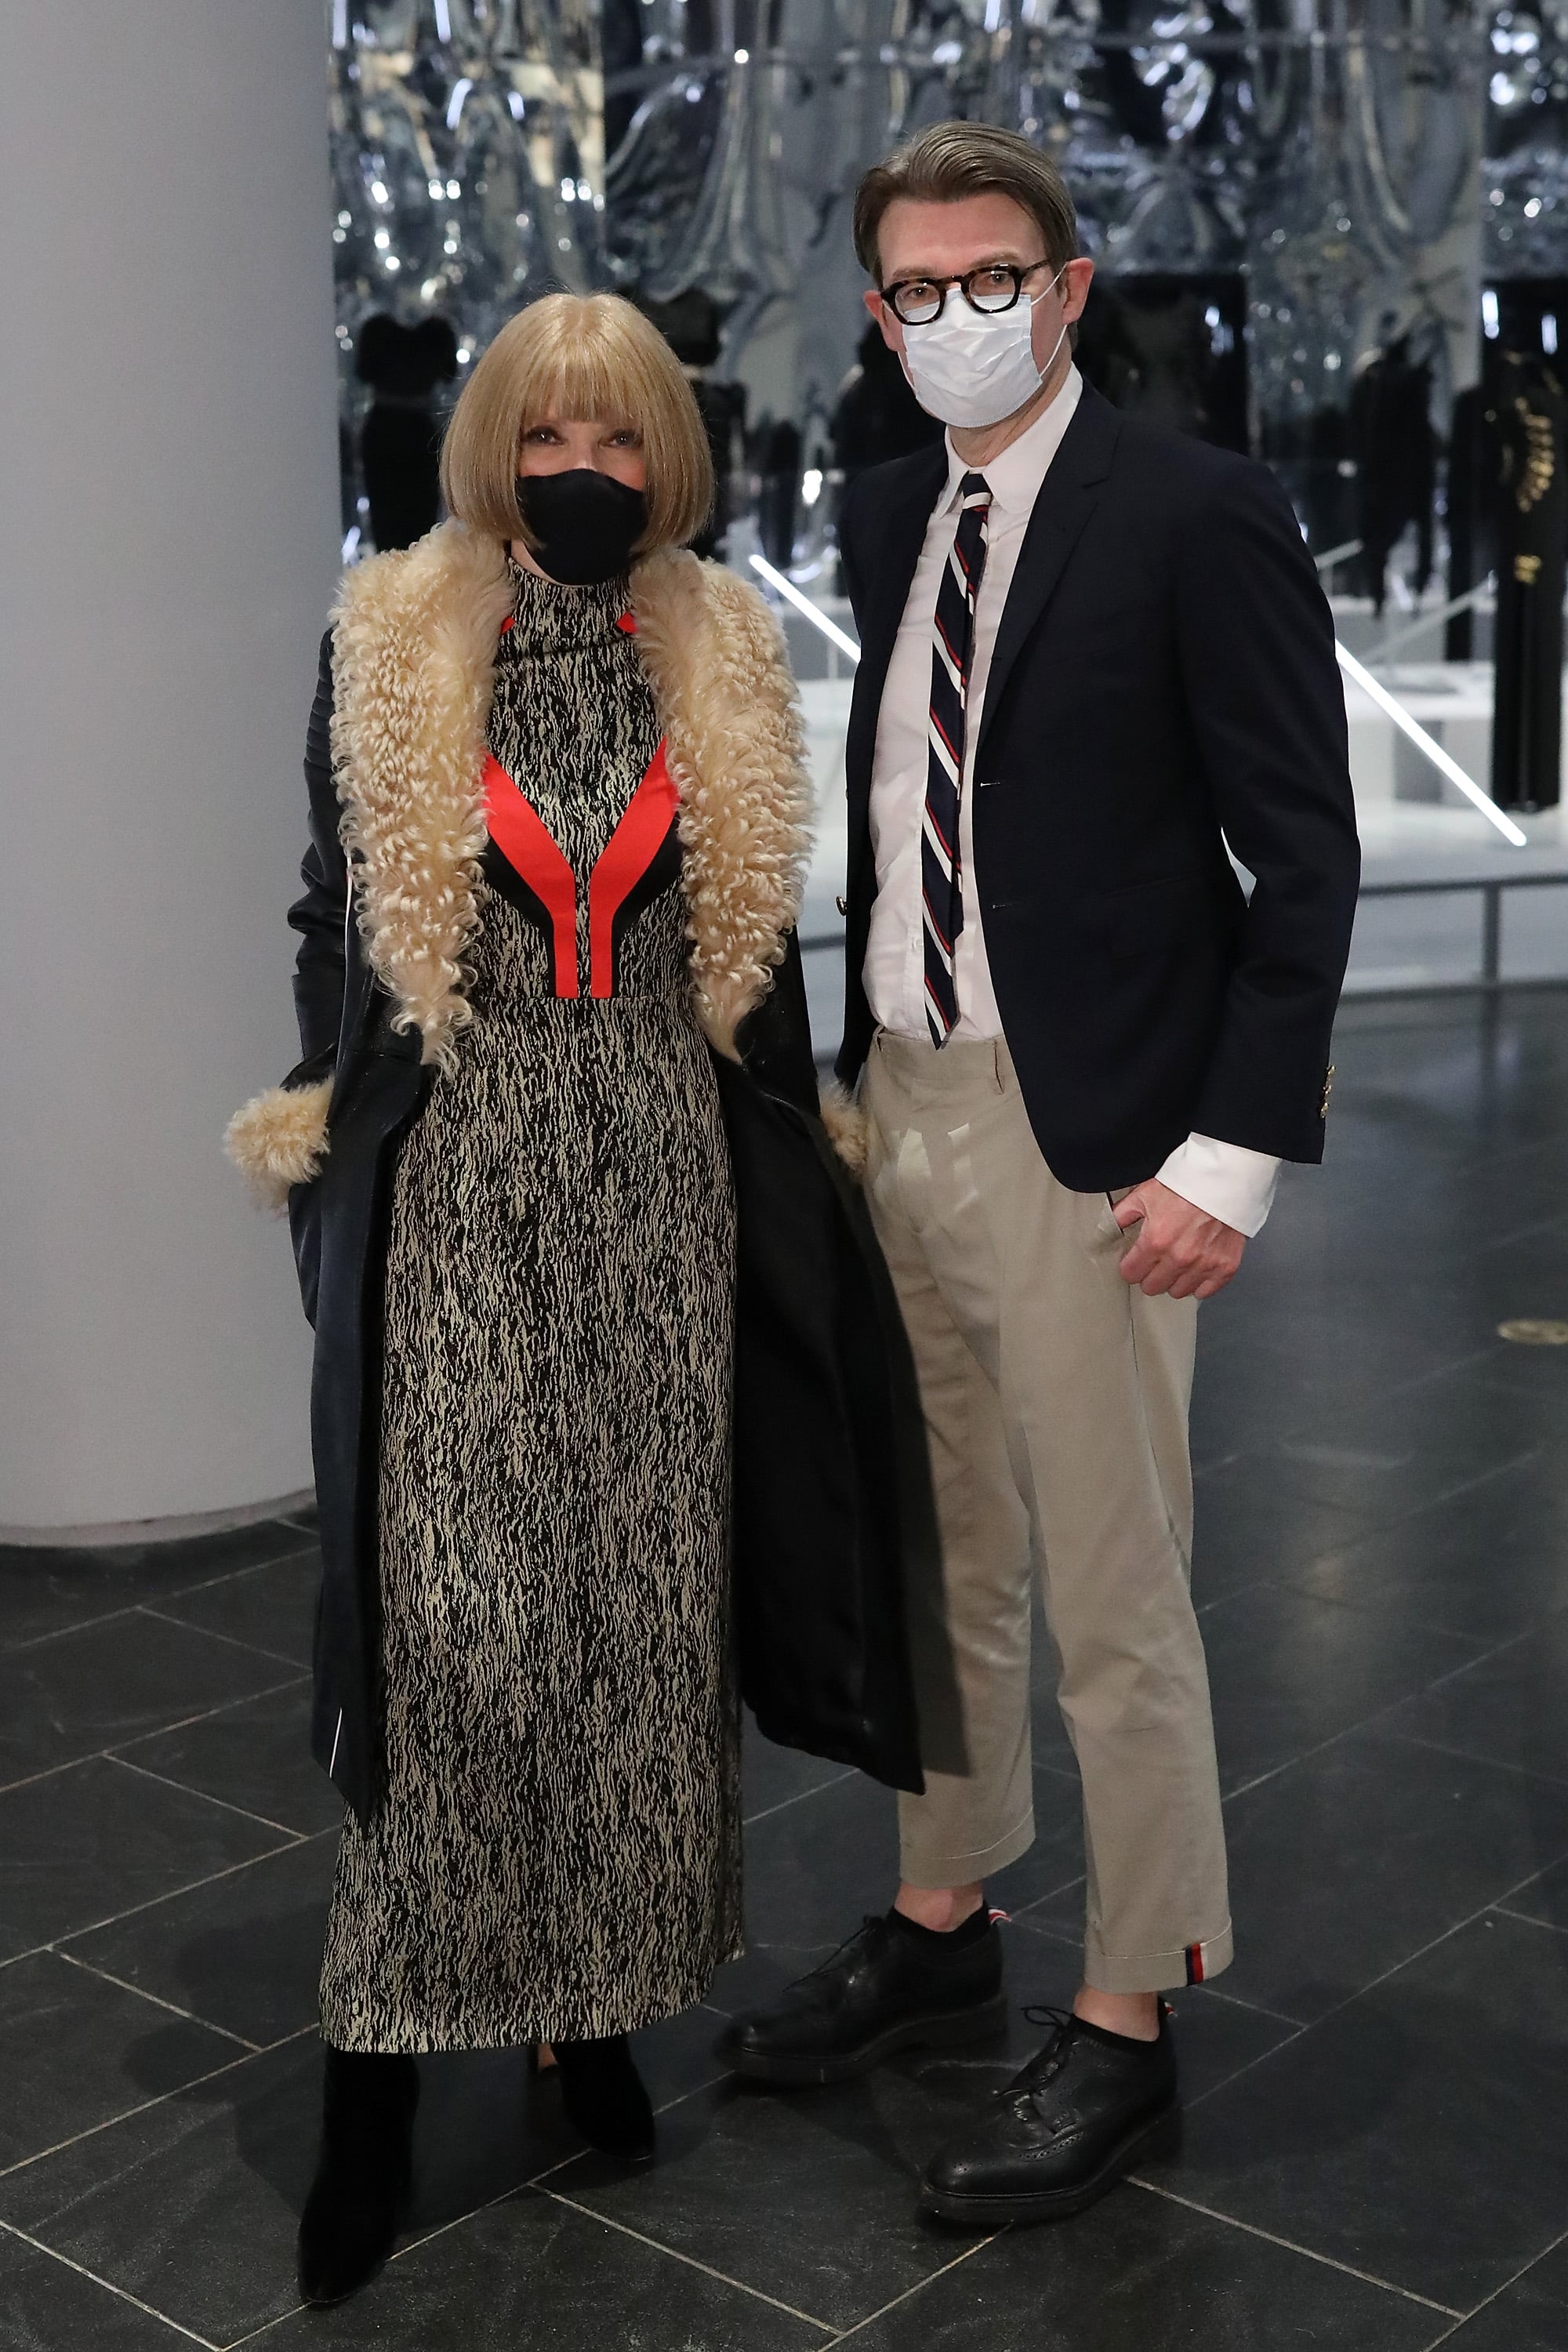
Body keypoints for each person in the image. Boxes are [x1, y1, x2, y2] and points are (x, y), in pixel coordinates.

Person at [227, 290, 930, 2306]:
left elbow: (756, 944)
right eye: (550, 435)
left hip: (657, 1175)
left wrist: (791, 1158)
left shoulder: (719, 641)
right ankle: (379, 2070)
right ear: (490, 445)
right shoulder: (384, 632)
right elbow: (322, 906)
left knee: (633, 1615)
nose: (586, 472)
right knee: (454, 1633)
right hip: (458, 1178)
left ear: (669, 459)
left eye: (623, 443)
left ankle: (592, 2005)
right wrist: (336, 1119)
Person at [718, 123, 1360, 2226]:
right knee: (938, 1560)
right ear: (881, 313)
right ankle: (937, 1918)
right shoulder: (899, 507)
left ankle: (1128, 2012)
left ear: (1068, 291)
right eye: (915, 291)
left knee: (1114, 1602)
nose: (954, 319)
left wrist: (1232, 1153)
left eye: (993, 280)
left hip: (1087, 1140)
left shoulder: (1196, 509)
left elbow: (1305, 854)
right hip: (893, 1106)